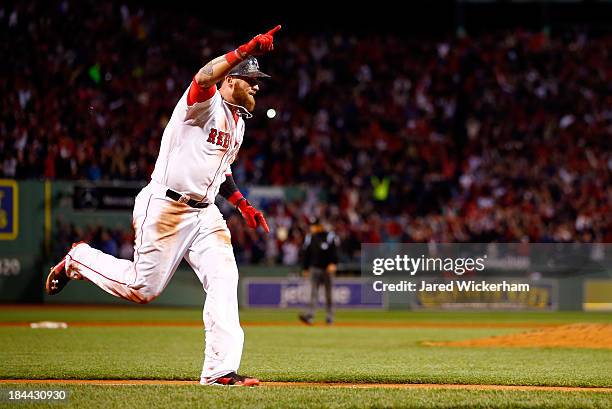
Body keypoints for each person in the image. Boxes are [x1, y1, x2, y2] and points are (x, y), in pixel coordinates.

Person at [45, 25, 282, 387]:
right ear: (230, 80)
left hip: (205, 214)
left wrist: (242, 204)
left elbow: (221, 170)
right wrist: (244, 49)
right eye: (250, 79)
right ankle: (80, 259)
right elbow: (203, 76)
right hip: (167, 206)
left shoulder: (238, 123)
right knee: (144, 289)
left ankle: (219, 371)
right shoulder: (203, 105)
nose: (256, 85)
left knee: (224, 278)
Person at [298, 217, 339, 325]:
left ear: (320, 226)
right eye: (312, 226)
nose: (312, 228)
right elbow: (306, 254)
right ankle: (310, 316)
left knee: (328, 294)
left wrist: (333, 263)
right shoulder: (310, 237)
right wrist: (305, 268)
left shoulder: (330, 236)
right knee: (313, 294)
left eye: (314, 226)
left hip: (327, 269)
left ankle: (330, 318)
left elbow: (335, 251)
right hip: (314, 268)